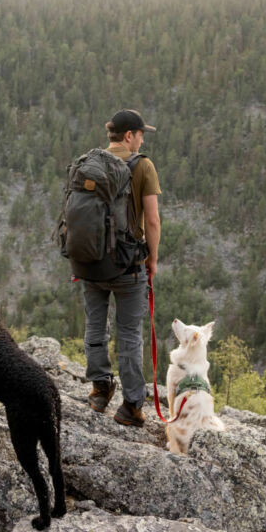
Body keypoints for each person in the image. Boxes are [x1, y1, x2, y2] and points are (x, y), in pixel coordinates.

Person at [83, 109, 161, 426]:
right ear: (128, 136)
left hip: (90, 262)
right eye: (140, 134)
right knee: (129, 335)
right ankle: (130, 407)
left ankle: (100, 391)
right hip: (128, 265)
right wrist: (152, 259)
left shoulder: (89, 163)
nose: (142, 139)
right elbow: (152, 221)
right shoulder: (142, 165)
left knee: (95, 326)